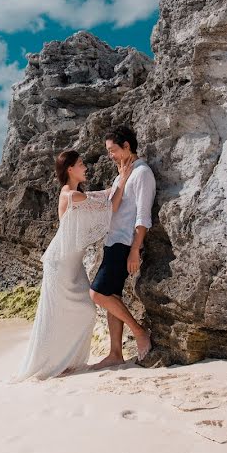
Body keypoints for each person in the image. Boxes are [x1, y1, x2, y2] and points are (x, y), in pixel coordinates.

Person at [13, 150, 133, 381]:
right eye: (80, 164)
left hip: (72, 264)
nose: (85, 167)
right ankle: (56, 364)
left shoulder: (77, 194)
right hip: (60, 263)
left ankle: (64, 362)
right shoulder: (71, 196)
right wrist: (123, 179)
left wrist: (120, 179)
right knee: (61, 315)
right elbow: (110, 204)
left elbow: (107, 197)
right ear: (70, 169)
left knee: (85, 311)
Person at [89, 125, 155, 368]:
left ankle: (139, 332)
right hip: (111, 241)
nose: (111, 156)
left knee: (97, 293)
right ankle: (115, 353)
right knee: (112, 297)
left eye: (113, 150)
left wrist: (135, 249)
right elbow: (111, 205)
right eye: (108, 152)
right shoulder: (123, 173)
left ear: (127, 146)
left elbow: (143, 216)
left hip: (124, 243)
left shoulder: (142, 173)